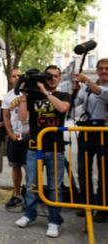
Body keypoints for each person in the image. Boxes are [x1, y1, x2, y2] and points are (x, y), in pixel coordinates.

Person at [15, 65, 71, 238]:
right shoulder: (33, 95)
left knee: (55, 187)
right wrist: (24, 94)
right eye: (49, 76)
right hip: (34, 147)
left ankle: (54, 221)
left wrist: (45, 91)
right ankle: (29, 214)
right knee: (32, 184)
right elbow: (23, 117)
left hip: (55, 149)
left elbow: (62, 108)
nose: (52, 78)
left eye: (56, 76)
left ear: (60, 78)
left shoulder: (63, 95)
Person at [73, 58, 108, 222]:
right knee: (83, 168)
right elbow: (75, 102)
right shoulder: (87, 88)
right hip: (87, 130)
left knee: (104, 171)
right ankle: (86, 203)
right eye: (100, 68)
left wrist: (85, 80)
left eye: (107, 68)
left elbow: (102, 93)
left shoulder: (95, 86)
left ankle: (103, 207)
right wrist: (74, 91)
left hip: (104, 132)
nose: (103, 71)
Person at [2, 69, 29, 209]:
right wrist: (10, 134)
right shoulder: (8, 96)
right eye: (14, 76)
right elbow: (6, 116)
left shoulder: (32, 93)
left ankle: (30, 197)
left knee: (29, 168)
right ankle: (17, 194)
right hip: (15, 135)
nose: (17, 78)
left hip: (29, 136)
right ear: (11, 79)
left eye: (19, 75)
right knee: (15, 166)